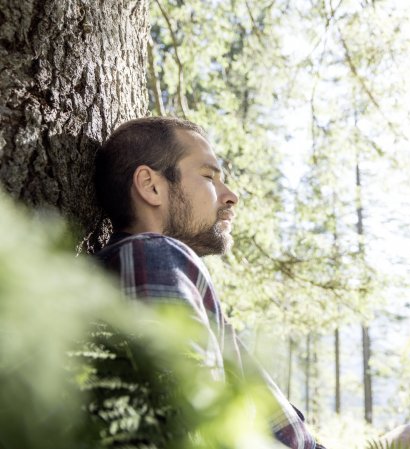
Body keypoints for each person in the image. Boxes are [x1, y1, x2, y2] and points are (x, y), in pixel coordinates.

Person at [94, 116, 323, 449]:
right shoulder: (152, 254)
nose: (231, 196)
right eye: (209, 177)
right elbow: (190, 423)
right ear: (151, 186)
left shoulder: (169, 269)